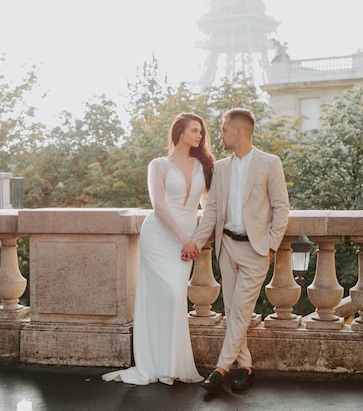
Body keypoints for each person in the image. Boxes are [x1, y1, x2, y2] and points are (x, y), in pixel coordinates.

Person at [181, 108, 289, 394]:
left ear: (238, 131)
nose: (220, 134)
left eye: (223, 129)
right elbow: (213, 210)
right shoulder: (222, 168)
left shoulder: (270, 163)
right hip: (226, 246)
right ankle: (246, 367)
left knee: (240, 309)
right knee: (233, 312)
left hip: (256, 250)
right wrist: (194, 241)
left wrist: (270, 246)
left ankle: (220, 369)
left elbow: (281, 208)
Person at [103, 113, 215, 385]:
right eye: (194, 130)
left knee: (176, 296)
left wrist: (196, 241)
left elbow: (208, 206)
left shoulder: (205, 164)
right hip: (159, 237)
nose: (200, 136)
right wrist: (183, 240)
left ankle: (173, 365)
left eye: (201, 131)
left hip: (187, 241)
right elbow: (160, 207)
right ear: (179, 132)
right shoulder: (159, 165)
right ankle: (155, 364)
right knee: (162, 297)